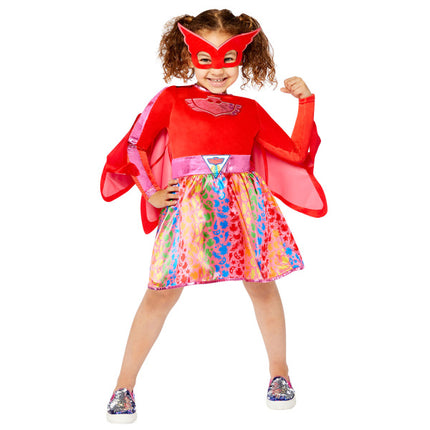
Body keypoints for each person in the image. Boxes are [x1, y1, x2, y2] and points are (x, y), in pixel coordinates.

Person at [101, 8, 327, 423]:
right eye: (206, 59)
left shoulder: (249, 108)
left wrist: (306, 102)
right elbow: (135, 145)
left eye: (229, 58)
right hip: (189, 207)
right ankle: (123, 384)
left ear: (243, 57)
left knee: (263, 286)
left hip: (245, 206)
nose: (217, 70)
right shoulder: (170, 100)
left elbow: (295, 153)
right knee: (160, 292)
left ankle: (280, 373)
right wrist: (151, 191)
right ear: (188, 56)